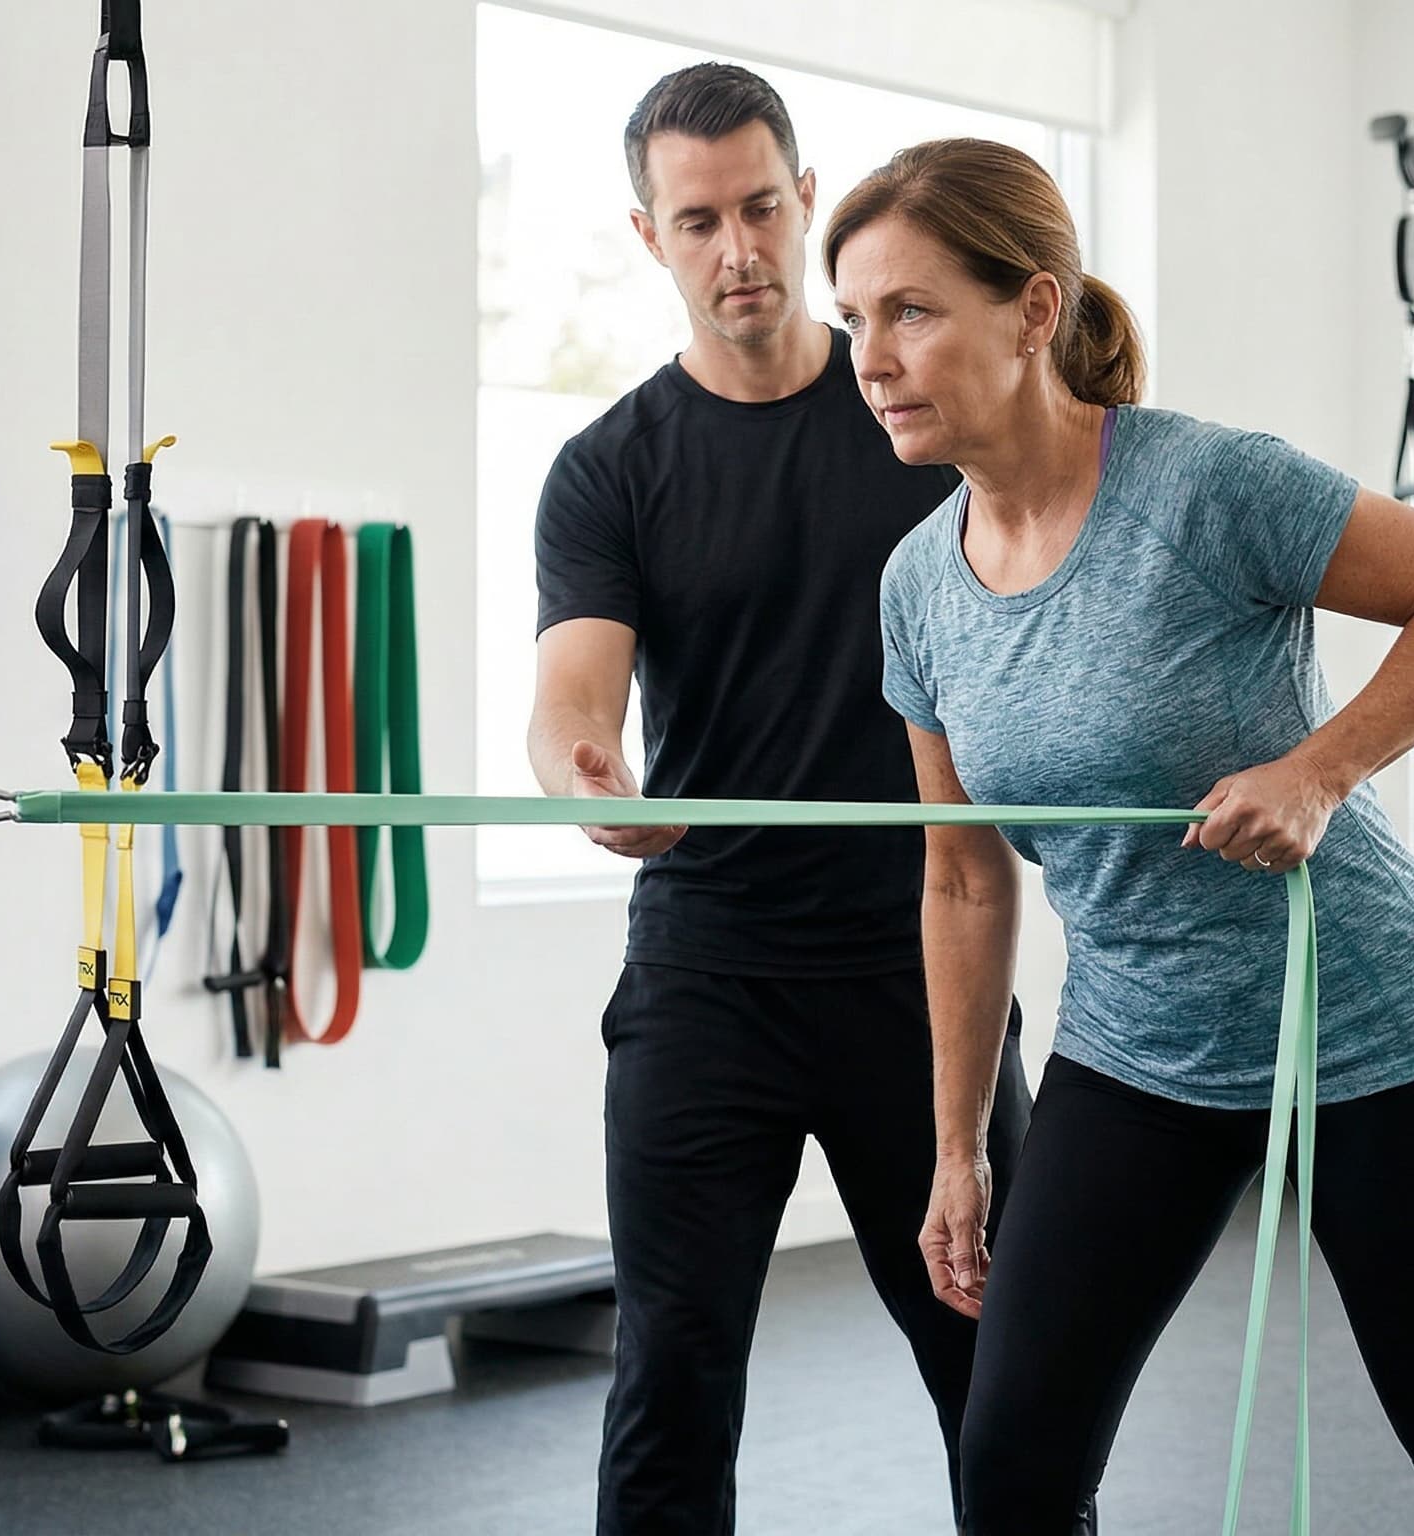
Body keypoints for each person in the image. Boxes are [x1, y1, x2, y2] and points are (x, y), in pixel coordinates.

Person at [827, 137, 1414, 1535]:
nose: (873, 355)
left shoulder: (1203, 487)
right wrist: (959, 1148)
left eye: (910, 309)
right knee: (1012, 1469)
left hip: (1363, 1029)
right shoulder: (915, 589)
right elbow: (960, 878)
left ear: (1035, 308)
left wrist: (1318, 769)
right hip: (1137, 1050)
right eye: (857, 320)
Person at [528, 71, 1032, 1535]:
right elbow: (573, 700)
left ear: (808, 201)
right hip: (710, 974)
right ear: (651, 236)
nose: (738, 249)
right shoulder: (610, 470)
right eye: (700, 221)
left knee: (1001, 1367)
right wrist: (586, 782)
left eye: (762, 207)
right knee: (673, 1380)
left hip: (923, 968)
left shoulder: (911, 417)